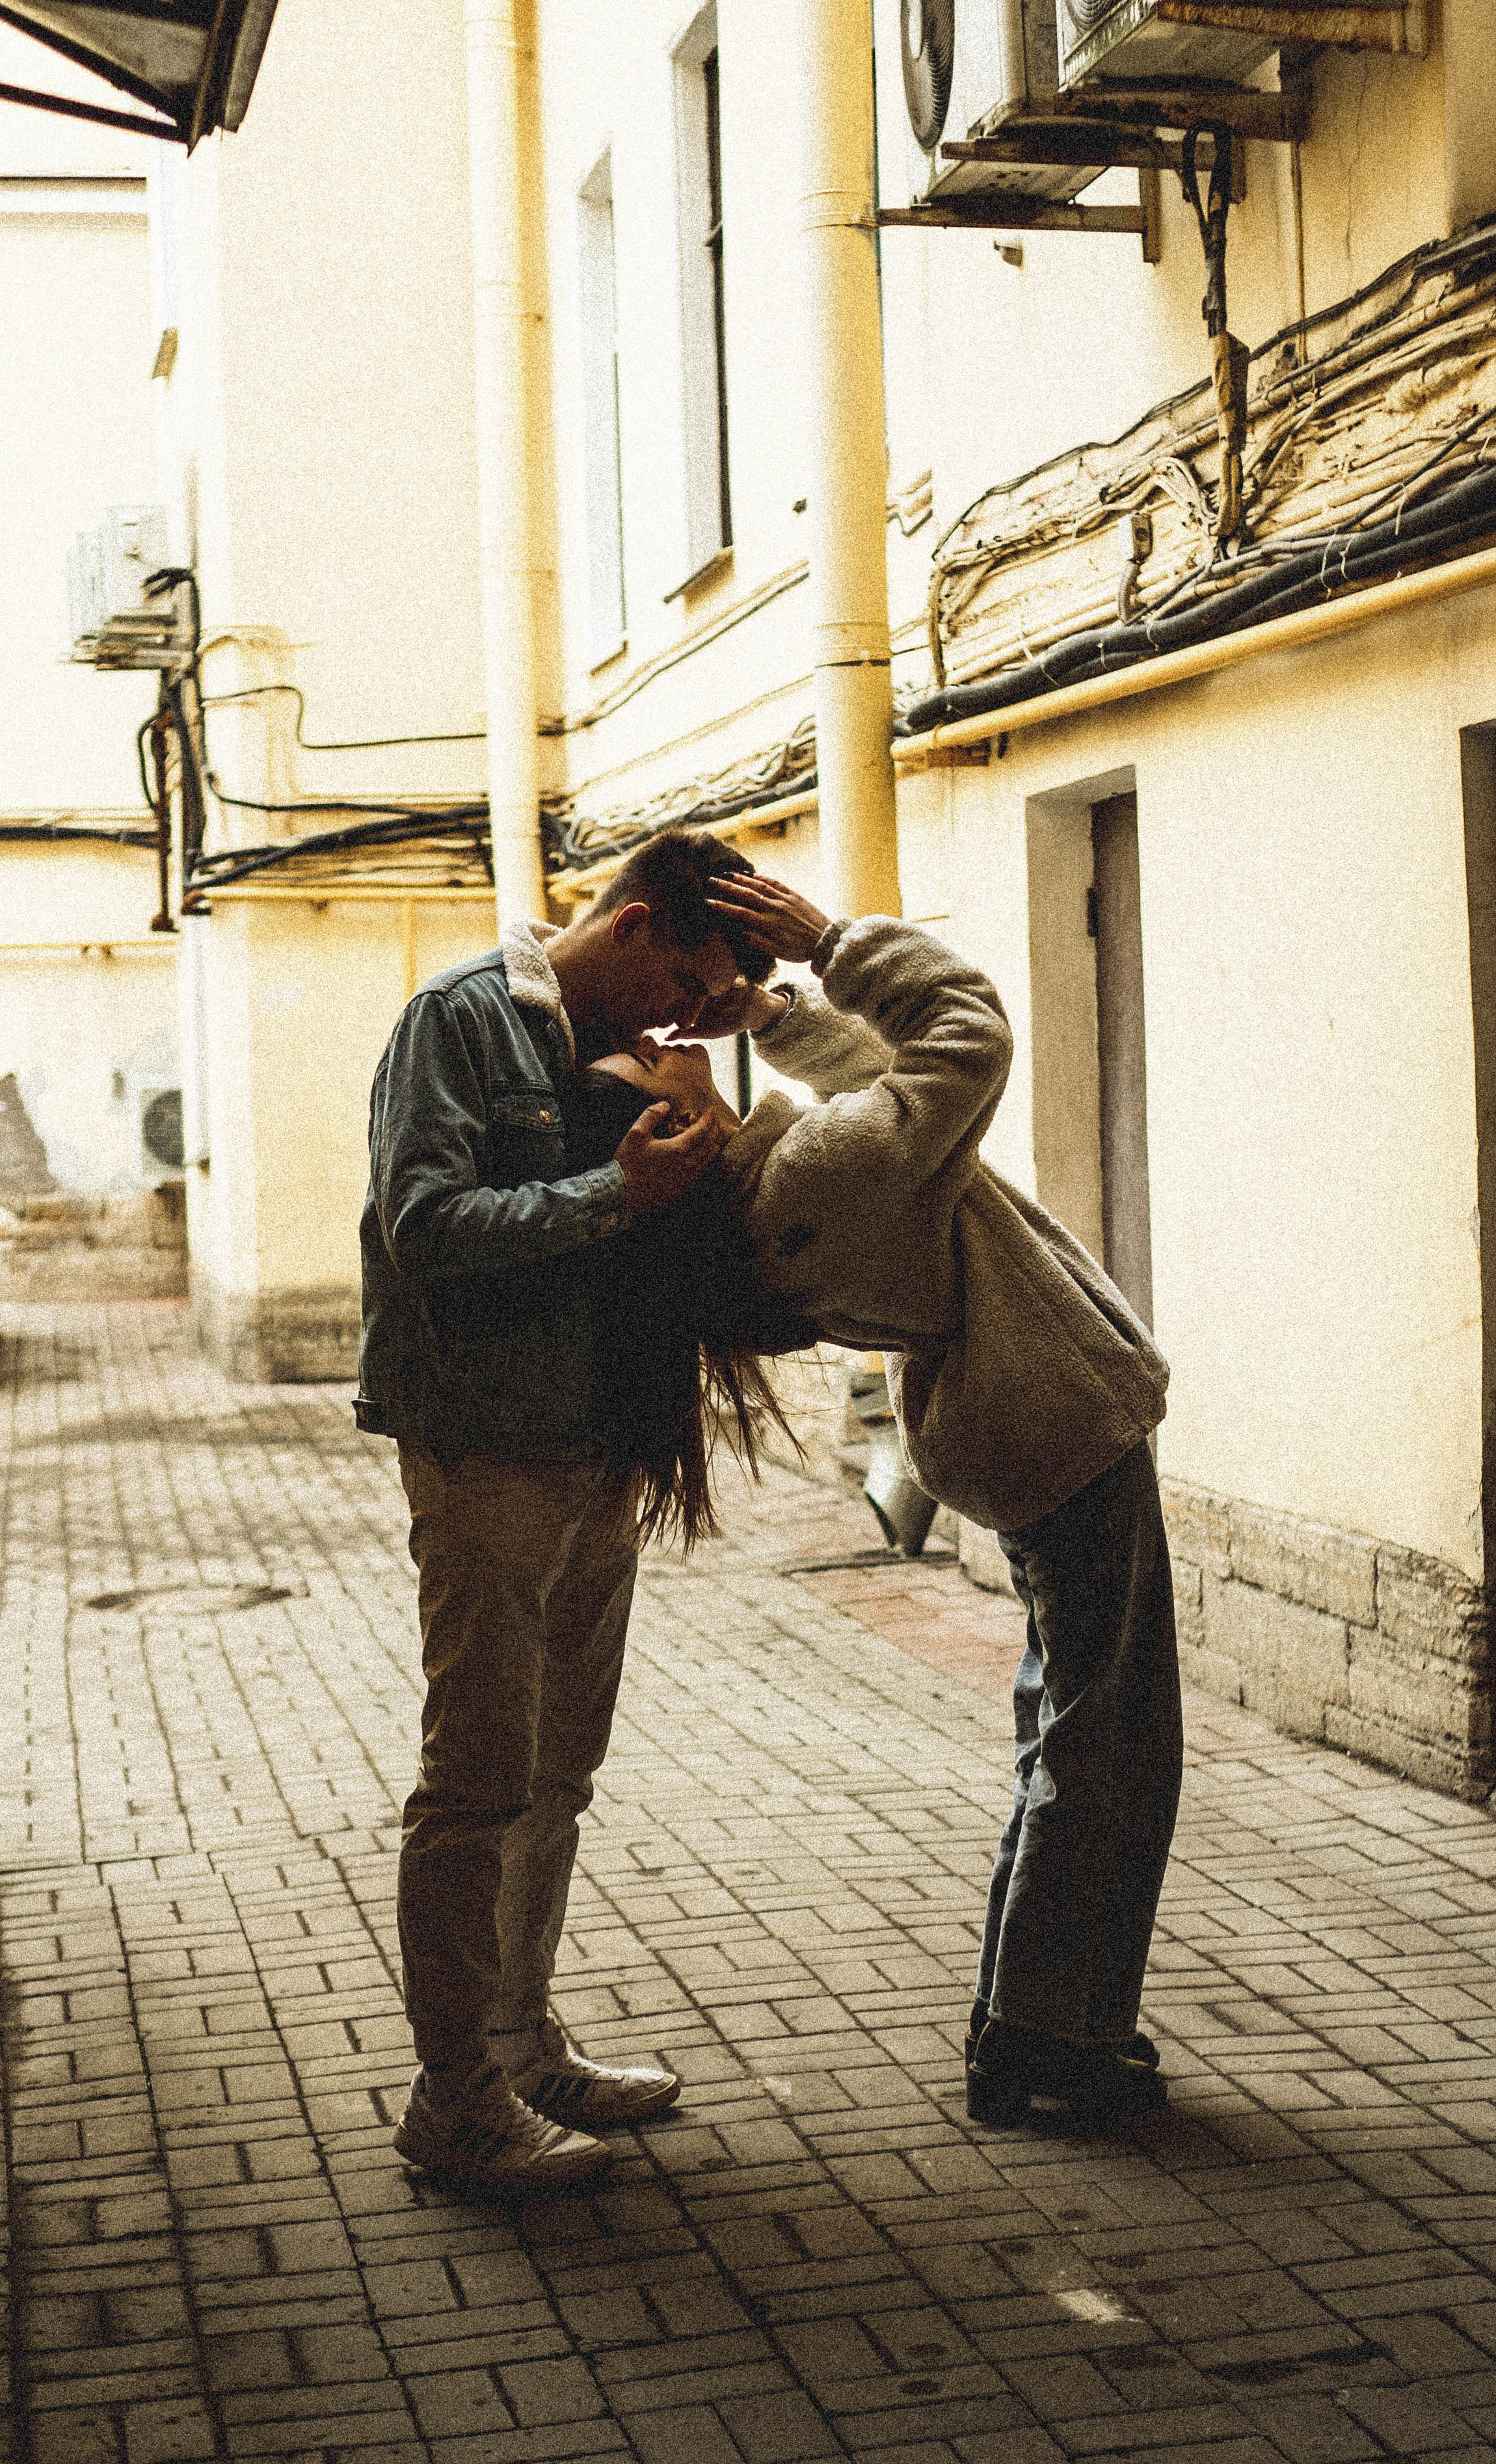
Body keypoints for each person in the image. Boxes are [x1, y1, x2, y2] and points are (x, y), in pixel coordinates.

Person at [593, 872, 1182, 2130]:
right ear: (668, 1141)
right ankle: (1051, 2042)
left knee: (1072, 1730)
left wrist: (762, 1017)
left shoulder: (778, 1197)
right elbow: (962, 1034)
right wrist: (835, 945)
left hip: (1019, 1428)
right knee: (1108, 1744)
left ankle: (1032, 2020)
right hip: (1057, 1429)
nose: (663, 1044)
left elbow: (868, 1092)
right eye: (646, 1071)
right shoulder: (811, 1182)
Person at [356, 828, 779, 2193]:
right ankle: (453, 2101)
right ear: (639, 921)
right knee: (476, 1780)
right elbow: (422, 1228)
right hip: (488, 1447)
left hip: (599, 1449)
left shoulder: (623, 1047)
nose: (681, 1018)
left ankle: (523, 2045)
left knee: (558, 1774)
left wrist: (700, 1084)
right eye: (684, 985)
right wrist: (618, 1189)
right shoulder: (460, 1020)